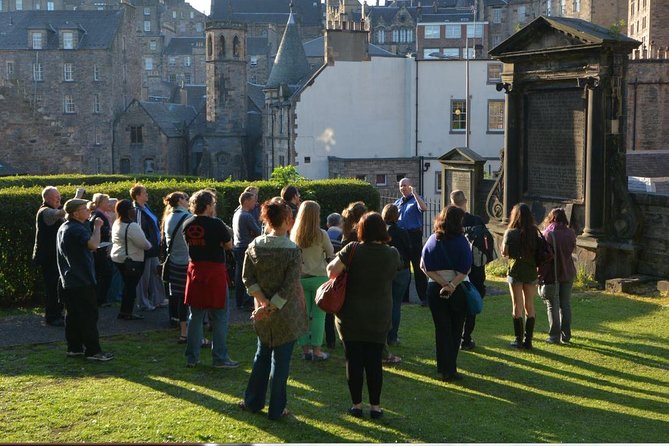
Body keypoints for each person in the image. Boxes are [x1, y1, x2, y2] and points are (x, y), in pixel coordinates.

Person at [327, 212, 401, 419]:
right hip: (379, 314)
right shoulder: (392, 253)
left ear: (361, 230)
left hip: (351, 314)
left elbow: (331, 271)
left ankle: (357, 405)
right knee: (374, 362)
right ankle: (375, 407)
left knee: (354, 361)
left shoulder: (352, 249)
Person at [240, 198, 307, 420]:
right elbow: (289, 286)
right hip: (286, 313)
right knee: (280, 362)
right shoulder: (293, 251)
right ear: (288, 220)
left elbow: (247, 278)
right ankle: (277, 409)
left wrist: (263, 304)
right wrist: (272, 306)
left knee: (262, 356)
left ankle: (252, 402)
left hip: (261, 311)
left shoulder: (254, 245)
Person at [182, 189, 238, 369]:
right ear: (207, 205)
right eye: (213, 204)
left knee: (195, 316)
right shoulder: (217, 224)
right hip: (214, 270)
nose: (214, 207)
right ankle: (220, 358)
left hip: (195, 269)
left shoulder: (187, 223)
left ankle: (192, 357)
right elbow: (229, 245)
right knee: (220, 316)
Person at [56, 198, 113, 361]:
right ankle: (93, 351)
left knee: (73, 315)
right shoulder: (76, 229)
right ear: (75, 213)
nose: (89, 211)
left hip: (68, 279)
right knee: (88, 315)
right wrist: (97, 227)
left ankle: (74, 348)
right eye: (85, 209)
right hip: (82, 280)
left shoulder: (65, 227)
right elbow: (94, 245)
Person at [420, 206, 472, 382]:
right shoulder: (462, 241)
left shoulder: (432, 240)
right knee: (456, 329)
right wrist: (451, 285)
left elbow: (423, 266)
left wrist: (442, 283)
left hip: (435, 287)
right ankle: (451, 368)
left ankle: (442, 366)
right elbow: (465, 269)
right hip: (457, 288)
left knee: (441, 328)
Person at [33, 186, 85, 326]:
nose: (59, 199)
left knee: (59, 286)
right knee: (51, 287)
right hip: (47, 257)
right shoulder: (45, 212)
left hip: (55, 256)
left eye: (59, 196)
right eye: (56, 197)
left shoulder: (54, 209)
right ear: (48, 198)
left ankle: (59, 313)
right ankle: (52, 316)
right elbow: (61, 213)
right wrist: (77, 197)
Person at [290, 200, 334, 361]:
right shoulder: (322, 233)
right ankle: (317, 350)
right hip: (320, 278)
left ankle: (305, 350)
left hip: (301, 278)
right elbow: (331, 254)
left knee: (302, 315)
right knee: (318, 316)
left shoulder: (294, 234)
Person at [450, 190, 488, 350]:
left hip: (455, 270)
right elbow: (486, 245)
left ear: (452, 202)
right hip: (476, 268)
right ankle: (466, 338)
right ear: (465, 201)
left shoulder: (449, 222)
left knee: (456, 305)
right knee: (471, 304)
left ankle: (456, 336)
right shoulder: (477, 221)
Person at [502, 203, 539, 349]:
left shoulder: (510, 233)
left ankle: (518, 339)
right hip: (530, 271)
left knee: (517, 305)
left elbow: (505, 252)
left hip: (515, 270)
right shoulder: (534, 232)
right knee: (529, 305)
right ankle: (528, 340)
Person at [540, 208, 577, 344]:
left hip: (553, 273)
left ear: (552, 218)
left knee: (552, 305)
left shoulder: (548, 234)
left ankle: (554, 336)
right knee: (565, 305)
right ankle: (566, 335)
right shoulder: (571, 233)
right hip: (568, 272)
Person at [111, 199, 152, 320]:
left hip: (118, 258)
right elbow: (143, 243)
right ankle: (126, 312)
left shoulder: (116, 223)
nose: (134, 210)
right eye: (132, 209)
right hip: (132, 259)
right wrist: (151, 246)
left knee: (128, 286)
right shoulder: (132, 226)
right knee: (131, 287)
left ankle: (125, 311)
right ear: (128, 211)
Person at [130, 183, 166, 311]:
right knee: (143, 277)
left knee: (156, 273)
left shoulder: (146, 207)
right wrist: (147, 244)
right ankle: (143, 303)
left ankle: (159, 300)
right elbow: (139, 230)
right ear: (138, 195)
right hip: (145, 249)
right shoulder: (137, 210)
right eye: (145, 192)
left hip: (153, 248)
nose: (147, 194)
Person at [161, 192, 191, 342]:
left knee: (178, 295)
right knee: (189, 297)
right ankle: (190, 329)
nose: (188, 201)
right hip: (186, 261)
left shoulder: (168, 217)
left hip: (173, 261)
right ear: (180, 200)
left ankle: (181, 328)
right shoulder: (188, 218)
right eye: (186, 198)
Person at [394, 178, 428, 306]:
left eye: (405, 185)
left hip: (414, 236)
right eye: (401, 186)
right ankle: (404, 297)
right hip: (401, 236)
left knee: (418, 268)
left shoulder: (416, 200)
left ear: (411, 186)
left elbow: (424, 208)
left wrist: (415, 194)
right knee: (404, 267)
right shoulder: (398, 202)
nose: (402, 188)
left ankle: (424, 297)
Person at [382, 204, 411, 347]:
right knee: (396, 304)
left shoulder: (381, 232)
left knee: (385, 303)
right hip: (402, 269)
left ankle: (383, 334)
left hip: (385, 270)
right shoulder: (403, 232)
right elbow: (409, 250)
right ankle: (393, 337)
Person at [233, 191, 262, 310]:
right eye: (252, 201)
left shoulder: (237, 213)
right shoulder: (247, 216)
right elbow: (258, 232)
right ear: (246, 201)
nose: (255, 203)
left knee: (239, 276)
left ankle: (239, 301)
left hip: (237, 246)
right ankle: (247, 301)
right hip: (246, 247)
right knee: (249, 275)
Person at [88, 193, 114, 307]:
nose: (109, 204)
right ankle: (100, 299)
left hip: (102, 247)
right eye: (107, 201)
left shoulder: (101, 213)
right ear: (100, 203)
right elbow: (95, 227)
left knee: (103, 273)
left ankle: (100, 299)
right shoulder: (98, 214)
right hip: (100, 249)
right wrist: (108, 231)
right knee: (105, 273)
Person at [324, 212, 344, 348]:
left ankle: (329, 339)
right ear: (340, 223)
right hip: (338, 276)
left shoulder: (322, 235)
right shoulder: (342, 237)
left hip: (322, 273)